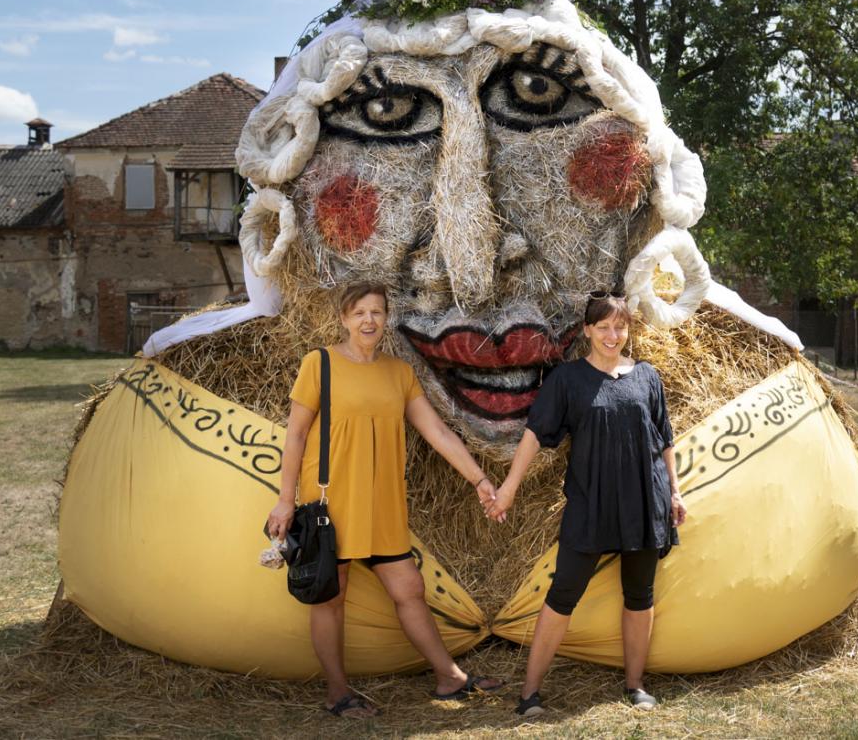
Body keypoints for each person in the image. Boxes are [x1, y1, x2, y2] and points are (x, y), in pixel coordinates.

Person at [265, 282, 504, 717]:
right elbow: (295, 435)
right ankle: (338, 693)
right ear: (344, 319)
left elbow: (437, 431)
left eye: (376, 312)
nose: (368, 321)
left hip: (383, 504)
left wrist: (478, 479)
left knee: (409, 589)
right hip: (332, 504)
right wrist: (285, 500)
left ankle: (449, 678)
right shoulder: (320, 364)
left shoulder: (399, 373)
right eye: (359, 313)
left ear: (386, 318)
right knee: (331, 597)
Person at [486, 292, 687, 715]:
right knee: (563, 593)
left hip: (643, 499)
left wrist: (674, 491)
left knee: (640, 594)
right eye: (604, 327)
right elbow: (535, 434)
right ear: (588, 330)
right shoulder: (568, 379)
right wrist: (508, 489)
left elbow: (665, 439)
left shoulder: (647, 376)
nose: (613, 335)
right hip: (591, 502)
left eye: (620, 327)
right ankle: (529, 694)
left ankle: (635, 686)